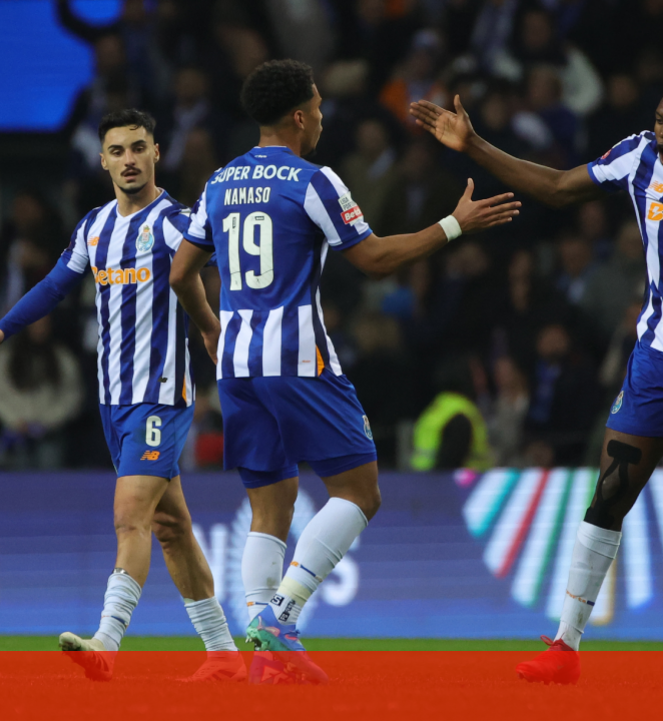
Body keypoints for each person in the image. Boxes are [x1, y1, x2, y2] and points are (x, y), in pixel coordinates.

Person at [412, 65, 663, 686]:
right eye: (660, 120)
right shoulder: (638, 157)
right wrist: (473, 145)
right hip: (659, 356)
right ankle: (564, 647)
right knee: (610, 491)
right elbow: (557, 187)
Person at [169, 59, 519, 684]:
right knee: (360, 491)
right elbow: (375, 259)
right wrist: (454, 224)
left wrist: (210, 327)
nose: (324, 116)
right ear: (299, 116)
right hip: (297, 359)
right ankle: (282, 616)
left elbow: (180, 272)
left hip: (238, 364)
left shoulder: (220, 182)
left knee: (269, 507)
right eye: (320, 107)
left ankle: (267, 659)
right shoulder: (312, 180)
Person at [0, 109, 242, 682]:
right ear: (103, 160)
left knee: (129, 517)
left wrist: (215, 327)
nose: (129, 159)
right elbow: (54, 287)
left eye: (138, 147)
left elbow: (225, 266)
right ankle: (224, 655)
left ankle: (106, 642)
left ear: (156, 153)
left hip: (160, 397)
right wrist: (4, 327)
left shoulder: (176, 224)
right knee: (171, 528)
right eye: (117, 150)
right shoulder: (94, 227)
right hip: (113, 401)